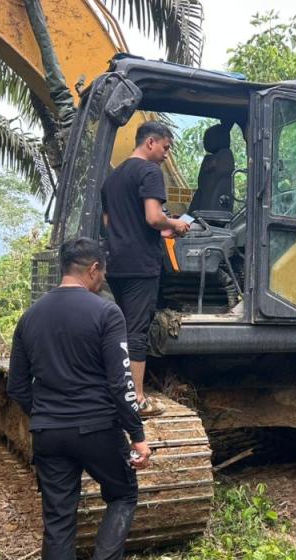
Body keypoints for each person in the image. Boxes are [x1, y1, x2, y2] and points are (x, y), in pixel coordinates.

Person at [7, 238, 150, 560]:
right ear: (93, 269)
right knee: (123, 496)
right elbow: (122, 383)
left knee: (58, 520)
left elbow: (16, 386)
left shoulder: (29, 317)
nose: (102, 282)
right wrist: (138, 436)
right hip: (98, 429)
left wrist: (45, 415)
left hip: (48, 434)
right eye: (102, 274)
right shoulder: (106, 312)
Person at [101, 121, 190, 416]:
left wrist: (157, 232)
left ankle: (115, 389)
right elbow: (153, 217)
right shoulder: (150, 172)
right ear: (150, 142)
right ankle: (136, 399)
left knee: (122, 328)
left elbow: (110, 223)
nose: (166, 155)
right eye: (166, 148)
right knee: (137, 331)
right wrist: (174, 224)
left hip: (116, 264)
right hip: (141, 265)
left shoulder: (112, 179)